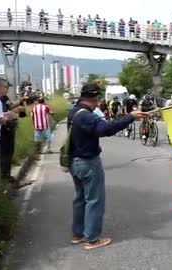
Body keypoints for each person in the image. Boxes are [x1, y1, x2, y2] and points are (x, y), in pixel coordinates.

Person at [68, 83, 147, 250]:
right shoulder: (86, 116)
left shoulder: (74, 111)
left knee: (80, 199)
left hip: (74, 161)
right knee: (94, 200)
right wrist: (130, 117)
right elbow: (106, 129)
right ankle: (92, 239)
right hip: (88, 162)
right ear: (96, 98)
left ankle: (78, 234)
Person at [0, 78, 19, 190]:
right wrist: (9, 115)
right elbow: (0, 120)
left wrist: (7, 113)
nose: (6, 90)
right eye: (5, 87)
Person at [0, 92, 25, 184]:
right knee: (3, 153)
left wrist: (20, 102)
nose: (7, 90)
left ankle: (7, 175)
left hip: (9, 129)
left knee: (9, 152)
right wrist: (16, 111)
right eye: (5, 87)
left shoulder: (3, 97)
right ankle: (3, 176)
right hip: (1, 131)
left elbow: (10, 106)